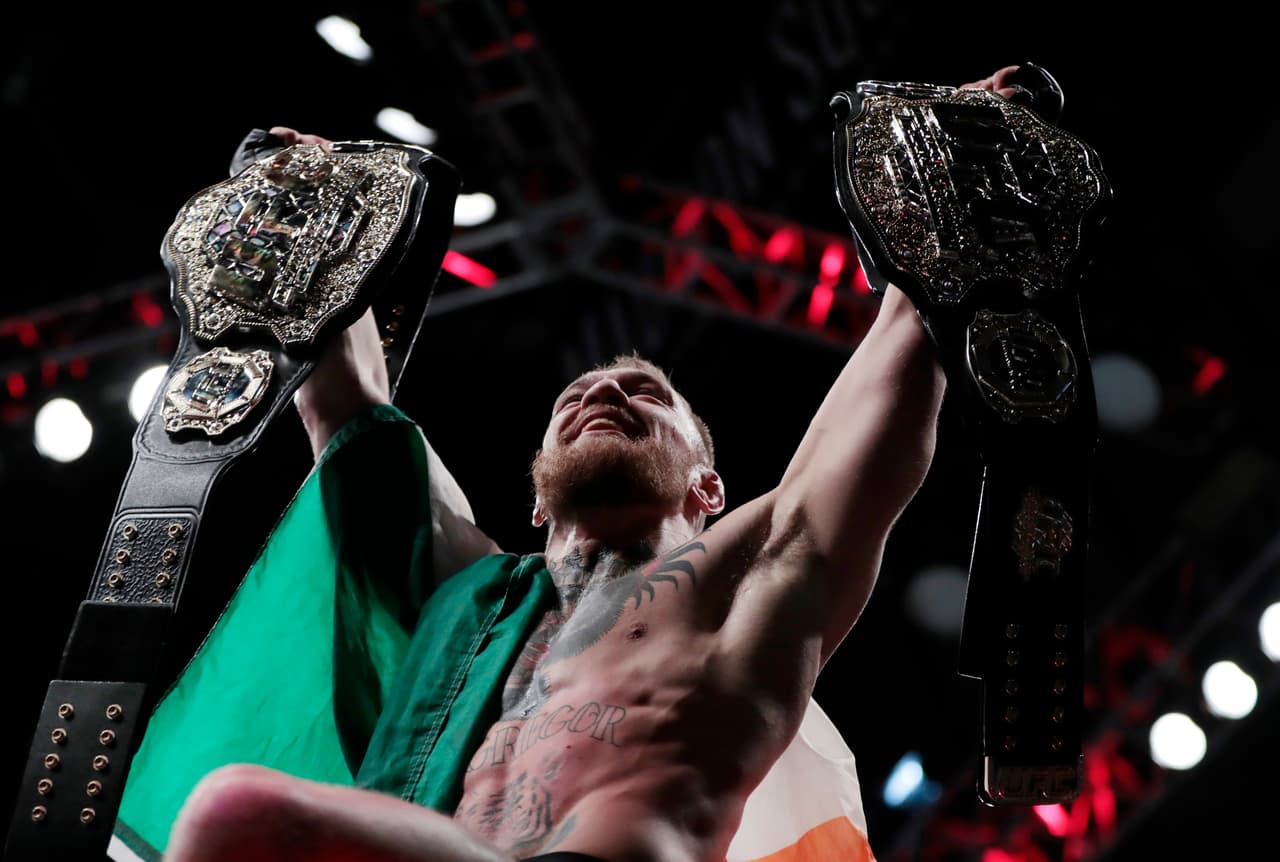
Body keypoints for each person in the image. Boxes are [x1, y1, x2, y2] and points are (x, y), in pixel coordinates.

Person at [142, 65, 1028, 862]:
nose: (600, 396)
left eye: (644, 393)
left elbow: (885, 394)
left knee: (236, 810)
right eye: (573, 401)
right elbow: (350, 409)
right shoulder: (470, 596)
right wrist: (310, 213)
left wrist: (947, 205)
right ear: (535, 496)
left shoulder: (753, 577)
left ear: (708, 487)